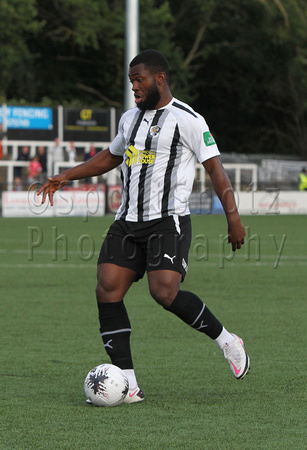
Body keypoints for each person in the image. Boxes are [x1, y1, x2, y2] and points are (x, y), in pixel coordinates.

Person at [38, 49, 250, 404]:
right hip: (127, 221)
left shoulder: (189, 120)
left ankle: (228, 341)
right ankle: (130, 385)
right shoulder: (129, 120)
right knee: (107, 288)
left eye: (140, 80)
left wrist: (233, 217)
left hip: (167, 220)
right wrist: (66, 176)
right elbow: (111, 156)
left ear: (160, 79)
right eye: (131, 81)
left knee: (164, 292)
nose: (134, 87)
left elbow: (215, 168)